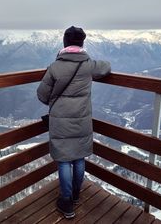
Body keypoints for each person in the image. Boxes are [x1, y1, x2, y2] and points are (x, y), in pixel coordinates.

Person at [37, 26, 111, 218]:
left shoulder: (54, 67)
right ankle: (76, 195)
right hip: (82, 120)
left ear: (64, 43)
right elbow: (106, 67)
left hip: (60, 122)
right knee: (79, 157)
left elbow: (42, 95)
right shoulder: (88, 65)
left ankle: (67, 203)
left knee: (63, 160)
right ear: (82, 43)